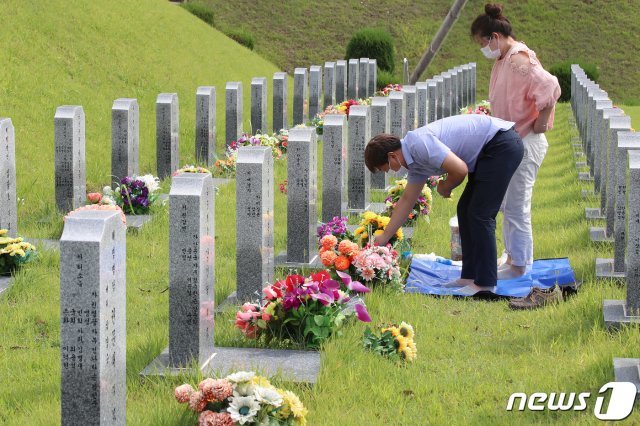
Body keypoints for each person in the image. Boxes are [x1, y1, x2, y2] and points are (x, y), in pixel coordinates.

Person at [367, 114, 523, 291]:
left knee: (480, 214)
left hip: (501, 144)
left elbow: (460, 169)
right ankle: (469, 276)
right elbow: (407, 200)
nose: (386, 172)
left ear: (392, 156)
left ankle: (485, 284)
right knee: (465, 209)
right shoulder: (414, 161)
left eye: (383, 168)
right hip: (490, 150)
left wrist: (446, 187)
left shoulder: (418, 144)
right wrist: (385, 236)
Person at [471, 3, 561, 285]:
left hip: (526, 141)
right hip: (512, 142)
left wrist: (542, 120)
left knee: (517, 205)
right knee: (508, 202)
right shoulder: (505, 59)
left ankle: (520, 264)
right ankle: (513, 257)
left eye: (482, 43)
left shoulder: (519, 59)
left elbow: (550, 86)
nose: (483, 49)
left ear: (494, 37)